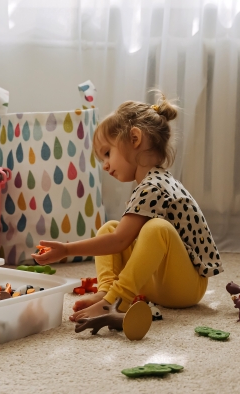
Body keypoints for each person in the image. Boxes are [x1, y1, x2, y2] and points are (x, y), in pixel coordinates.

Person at [32, 94, 223, 322]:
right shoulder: (150, 183)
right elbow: (119, 237)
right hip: (156, 284)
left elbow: (120, 242)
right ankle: (107, 291)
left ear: (134, 139)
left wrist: (66, 249)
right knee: (110, 228)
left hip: (186, 289)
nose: (105, 165)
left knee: (156, 229)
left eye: (107, 153)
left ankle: (115, 300)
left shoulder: (153, 187)